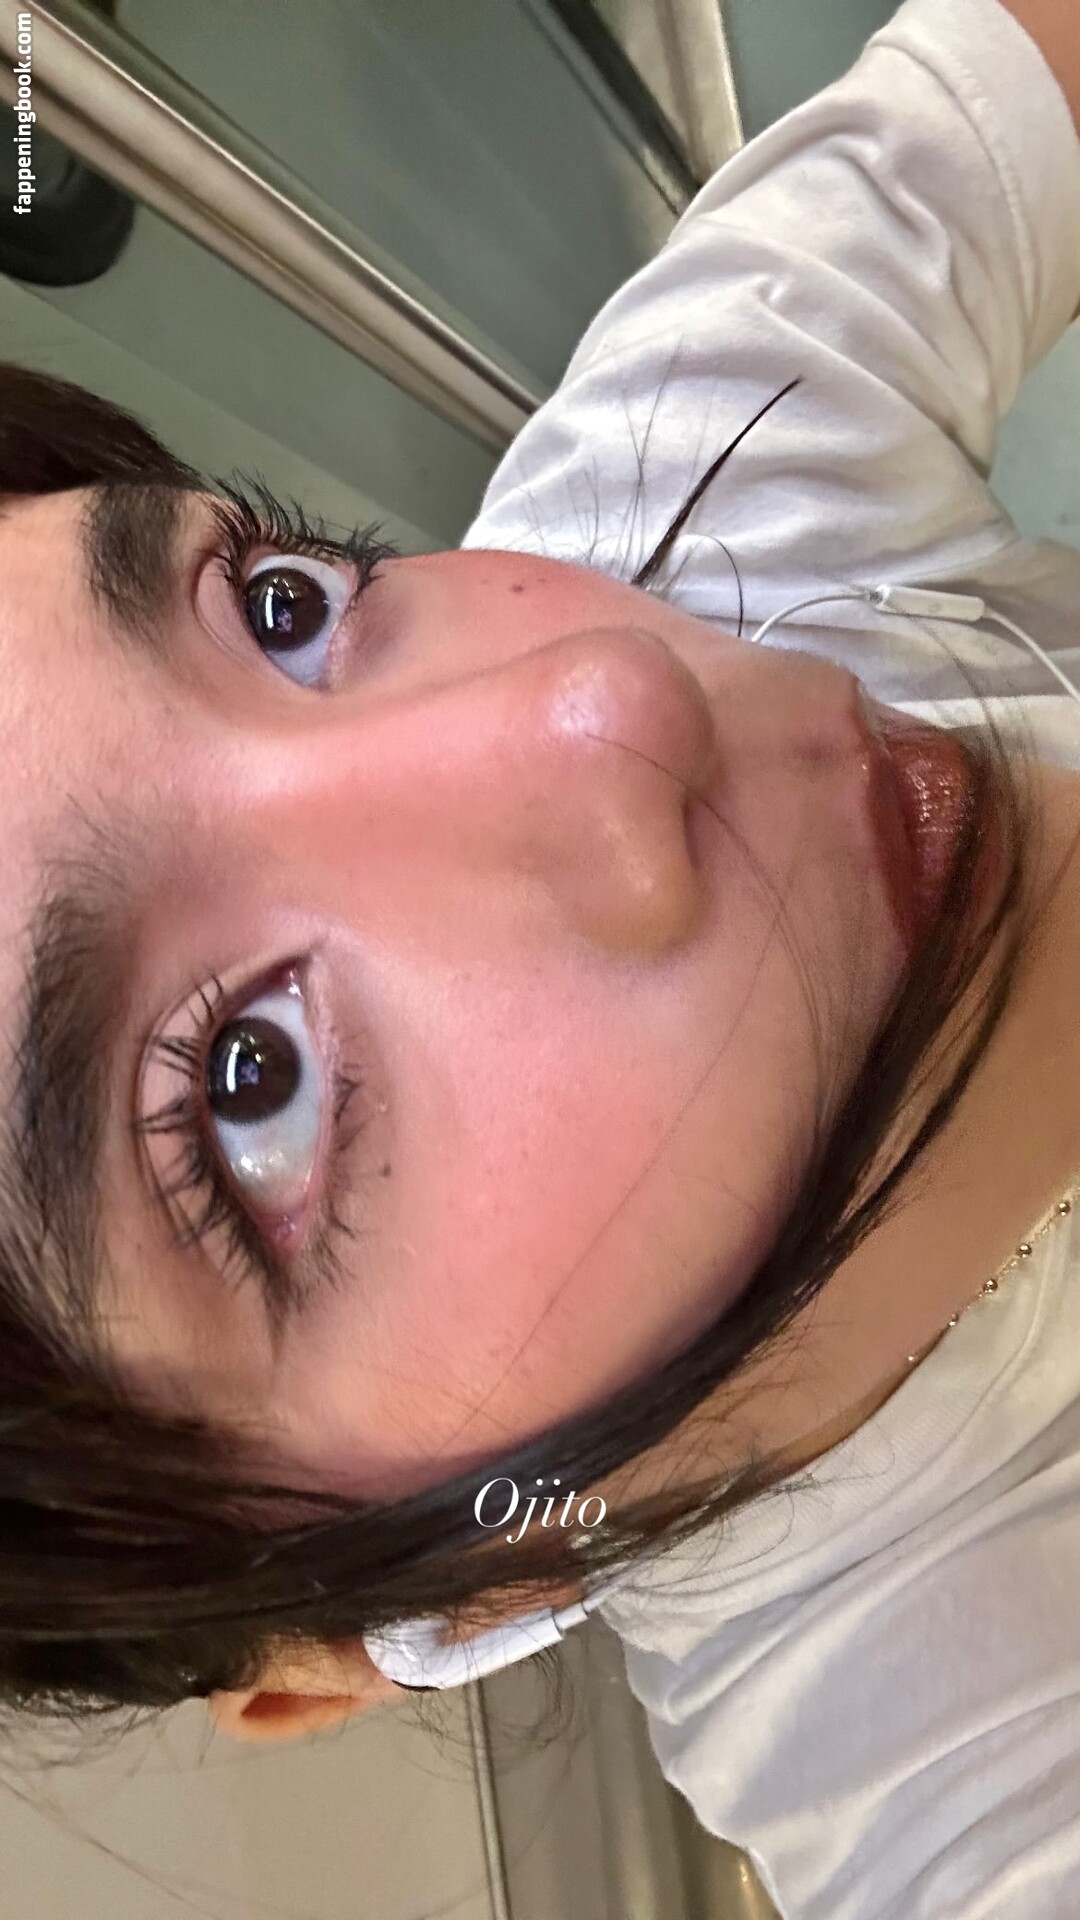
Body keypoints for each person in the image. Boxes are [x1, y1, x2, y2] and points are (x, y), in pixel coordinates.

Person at [2, 0, 1080, 1908]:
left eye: (280, 607)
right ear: (415, 1620)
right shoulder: (957, 1745)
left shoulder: (682, 495)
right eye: (254, 1083)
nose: (605, 699)